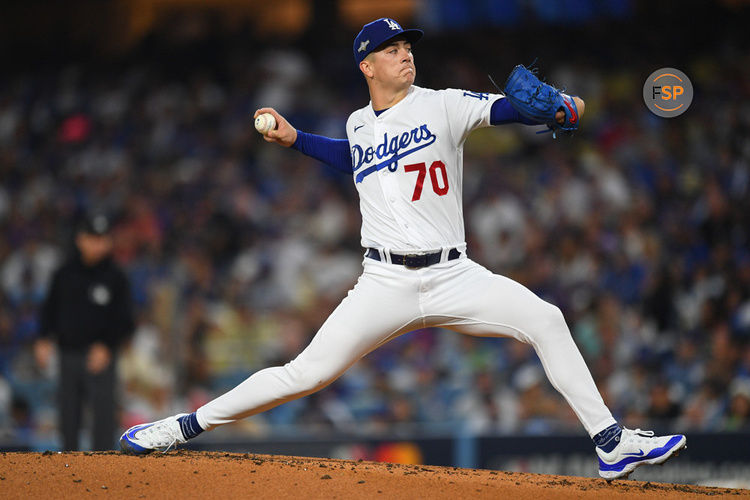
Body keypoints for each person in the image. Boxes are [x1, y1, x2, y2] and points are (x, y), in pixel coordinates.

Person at [120, 18, 685, 480]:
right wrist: (296, 140)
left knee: (547, 318)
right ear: (367, 66)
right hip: (383, 283)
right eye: (390, 50)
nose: (404, 55)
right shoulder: (359, 123)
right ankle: (181, 428)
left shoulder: (443, 104)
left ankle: (612, 444)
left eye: (406, 46)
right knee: (304, 374)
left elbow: (518, 109)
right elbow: (354, 158)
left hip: (454, 274)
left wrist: (564, 105)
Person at [35, 213, 135, 450]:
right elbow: (49, 309)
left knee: (103, 417)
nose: (97, 244)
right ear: (80, 239)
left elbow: (125, 320)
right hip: (67, 353)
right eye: (92, 238)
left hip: (100, 357)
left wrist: (107, 345)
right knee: (68, 416)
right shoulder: (64, 273)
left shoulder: (116, 277)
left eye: (102, 238)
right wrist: (43, 338)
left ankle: (102, 475)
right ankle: (67, 472)